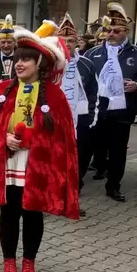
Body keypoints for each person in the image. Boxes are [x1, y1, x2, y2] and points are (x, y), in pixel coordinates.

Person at [0, 28, 78, 272]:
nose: (19, 64)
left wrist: (36, 139)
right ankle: (8, 261)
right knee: (9, 213)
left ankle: (29, 262)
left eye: (26, 59)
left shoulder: (56, 96)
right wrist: (2, 138)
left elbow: (63, 139)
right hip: (9, 162)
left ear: (40, 63)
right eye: (17, 59)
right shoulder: (2, 89)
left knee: (33, 213)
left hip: (35, 165)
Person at [83, 3, 137, 202]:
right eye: (108, 30)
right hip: (95, 112)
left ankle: (113, 186)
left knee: (117, 152)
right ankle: (77, 184)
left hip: (122, 113)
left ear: (126, 31)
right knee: (87, 149)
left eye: (116, 31)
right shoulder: (93, 53)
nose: (111, 34)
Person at [55, 15, 98, 216]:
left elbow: (94, 94)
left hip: (80, 123)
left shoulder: (87, 65)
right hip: (54, 123)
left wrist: (91, 119)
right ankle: (53, 199)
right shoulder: (50, 64)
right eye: (63, 41)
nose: (67, 45)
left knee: (77, 164)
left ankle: (71, 200)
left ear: (77, 42)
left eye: (71, 41)